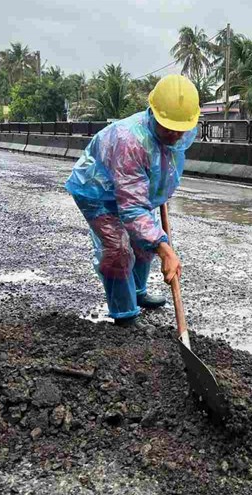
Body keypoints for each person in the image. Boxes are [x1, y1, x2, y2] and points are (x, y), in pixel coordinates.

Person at [65, 74, 200, 327]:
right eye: (167, 127)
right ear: (153, 112)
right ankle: (125, 315)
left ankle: (137, 292)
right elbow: (132, 208)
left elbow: (164, 168)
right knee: (118, 249)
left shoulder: (180, 130)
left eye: (179, 129)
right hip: (97, 191)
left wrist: (158, 198)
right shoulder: (130, 141)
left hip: (135, 191)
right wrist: (165, 249)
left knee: (142, 244)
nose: (174, 134)